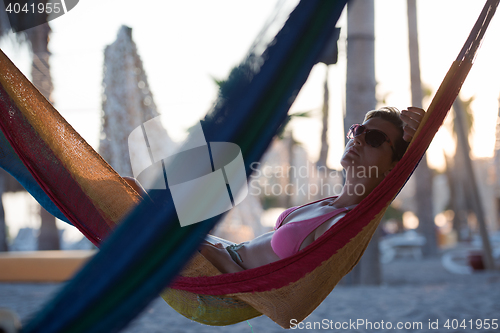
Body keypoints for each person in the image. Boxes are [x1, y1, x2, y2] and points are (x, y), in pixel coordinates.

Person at [127, 106, 425, 274]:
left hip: (220, 270)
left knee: (124, 205)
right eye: (358, 130)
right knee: (129, 192)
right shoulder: (330, 205)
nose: (358, 140)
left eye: (373, 138)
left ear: (392, 165)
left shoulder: (347, 222)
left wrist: (422, 140)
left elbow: (249, 282)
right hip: (219, 251)